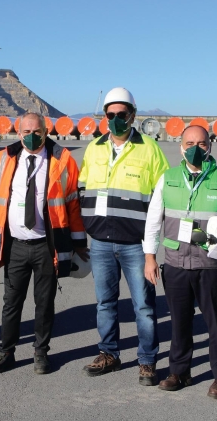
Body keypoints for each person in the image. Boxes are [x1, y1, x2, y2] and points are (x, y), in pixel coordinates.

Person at [0, 112, 87, 375]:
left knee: (44, 303)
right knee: (11, 302)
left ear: (45, 130)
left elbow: (72, 203)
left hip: (46, 246)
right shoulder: (4, 159)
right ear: (18, 133)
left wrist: (79, 241)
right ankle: (6, 351)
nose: (31, 136)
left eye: (37, 131)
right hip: (15, 245)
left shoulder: (62, 160)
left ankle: (41, 352)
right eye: (26, 132)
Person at [143, 125, 217, 400]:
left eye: (202, 143)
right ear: (181, 146)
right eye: (190, 142)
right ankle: (179, 372)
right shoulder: (167, 178)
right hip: (176, 264)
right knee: (179, 323)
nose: (195, 148)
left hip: (211, 265)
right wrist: (149, 257)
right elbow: (152, 221)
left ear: (210, 146)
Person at [78, 88, 170, 386]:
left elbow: (163, 195)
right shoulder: (94, 149)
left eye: (122, 114)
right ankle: (109, 354)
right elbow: (82, 188)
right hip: (101, 241)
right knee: (105, 302)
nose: (116, 120)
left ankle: (147, 361)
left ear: (132, 115)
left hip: (135, 244)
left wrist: (154, 247)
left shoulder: (149, 149)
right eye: (110, 115)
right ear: (104, 117)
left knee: (143, 305)